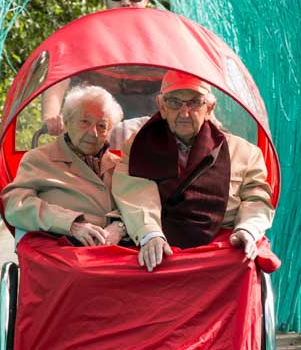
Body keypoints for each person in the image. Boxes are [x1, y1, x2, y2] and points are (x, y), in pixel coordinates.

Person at [112, 71, 275, 271]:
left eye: (194, 102)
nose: (184, 113)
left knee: (244, 264)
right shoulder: (138, 147)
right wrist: (149, 233)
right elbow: (133, 193)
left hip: (218, 248)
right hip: (155, 243)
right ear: (161, 107)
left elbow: (257, 199)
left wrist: (248, 228)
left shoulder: (245, 153)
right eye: (174, 102)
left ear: (209, 108)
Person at [2, 86, 127, 246]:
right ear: (67, 122)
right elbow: (15, 205)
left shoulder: (119, 166)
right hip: (61, 249)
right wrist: (70, 224)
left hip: (114, 250)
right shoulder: (39, 159)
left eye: (102, 126)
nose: (93, 132)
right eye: (84, 122)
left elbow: (139, 203)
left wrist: (120, 226)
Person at [40, 0, 152, 138]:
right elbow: (56, 79)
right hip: (92, 142)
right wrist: (51, 115)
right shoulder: (84, 36)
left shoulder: (162, 41)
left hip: (150, 143)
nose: (125, 2)